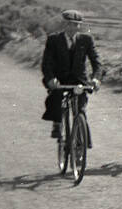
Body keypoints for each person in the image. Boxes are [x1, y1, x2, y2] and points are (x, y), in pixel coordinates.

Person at [42, 9, 102, 145]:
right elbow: (47, 62)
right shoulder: (53, 39)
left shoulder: (86, 40)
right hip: (59, 79)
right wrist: (51, 78)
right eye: (69, 24)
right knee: (56, 98)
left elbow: (96, 61)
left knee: (80, 110)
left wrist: (96, 78)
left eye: (76, 25)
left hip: (79, 80)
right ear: (64, 24)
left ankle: (82, 142)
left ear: (79, 26)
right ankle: (57, 123)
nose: (72, 28)